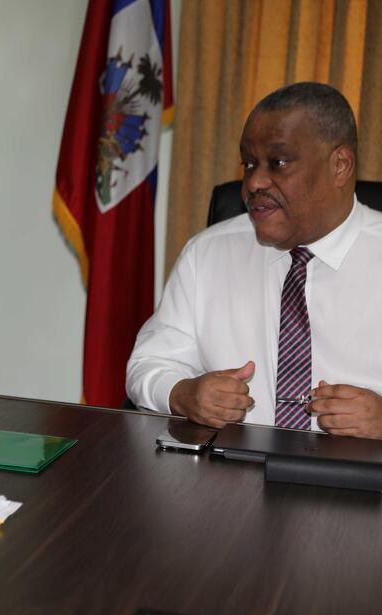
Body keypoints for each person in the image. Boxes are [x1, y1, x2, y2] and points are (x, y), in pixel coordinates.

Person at [127, 82, 382, 439]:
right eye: (248, 163)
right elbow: (147, 365)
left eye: (277, 163)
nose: (253, 182)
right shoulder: (208, 253)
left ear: (340, 166)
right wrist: (184, 394)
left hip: (361, 486)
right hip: (230, 477)